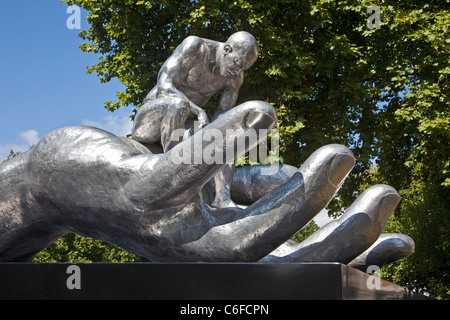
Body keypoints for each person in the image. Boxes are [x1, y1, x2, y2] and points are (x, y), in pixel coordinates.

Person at [131, 31, 259, 208]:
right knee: (179, 104)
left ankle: (222, 198)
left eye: (243, 67)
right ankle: (172, 180)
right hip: (152, 118)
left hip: (182, 126)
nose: (237, 70)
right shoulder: (196, 47)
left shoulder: (235, 77)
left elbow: (224, 111)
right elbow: (164, 86)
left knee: (227, 135)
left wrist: (220, 132)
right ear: (227, 49)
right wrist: (199, 111)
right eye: (237, 63)